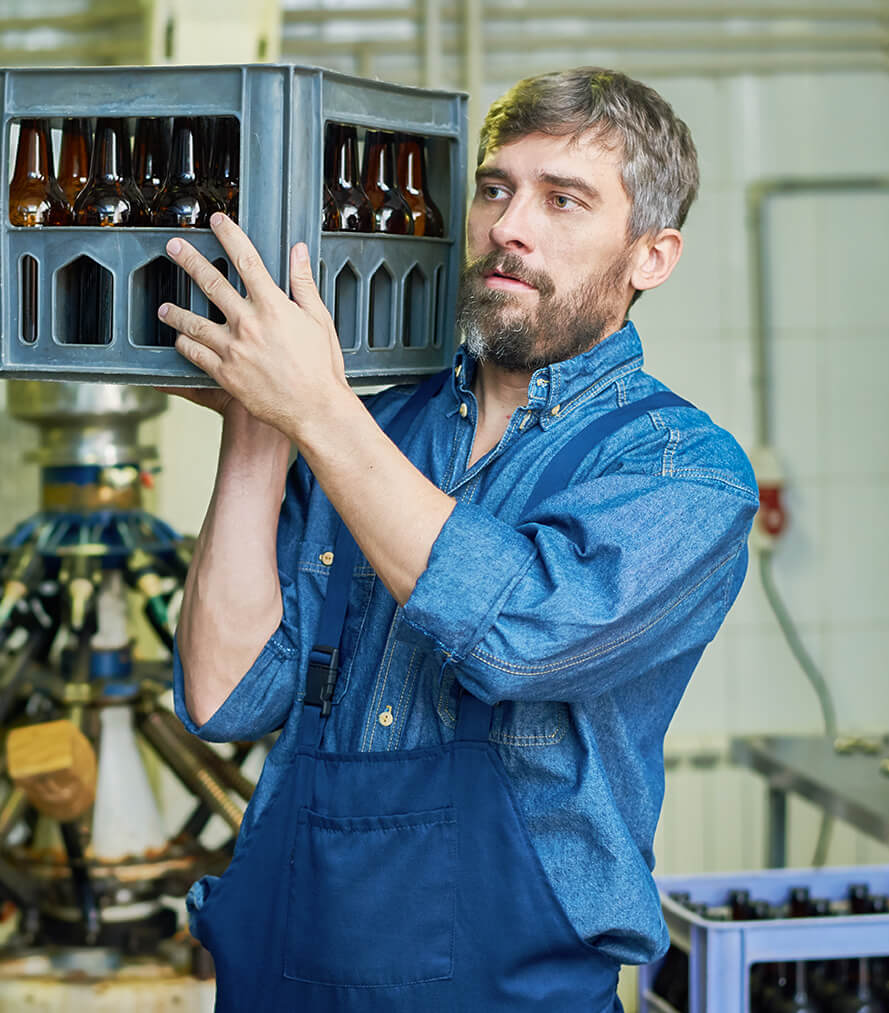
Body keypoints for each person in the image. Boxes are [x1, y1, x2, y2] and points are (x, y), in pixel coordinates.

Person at [159, 67, 758, 1010]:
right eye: (495, 188)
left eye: (564, 200)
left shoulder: (683, 472)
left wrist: (318, 409)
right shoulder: (373, 426)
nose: (510, 226)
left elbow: (519, 633)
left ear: (653, 255)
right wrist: (259, 427)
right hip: (292, 975)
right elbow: (228, 690)